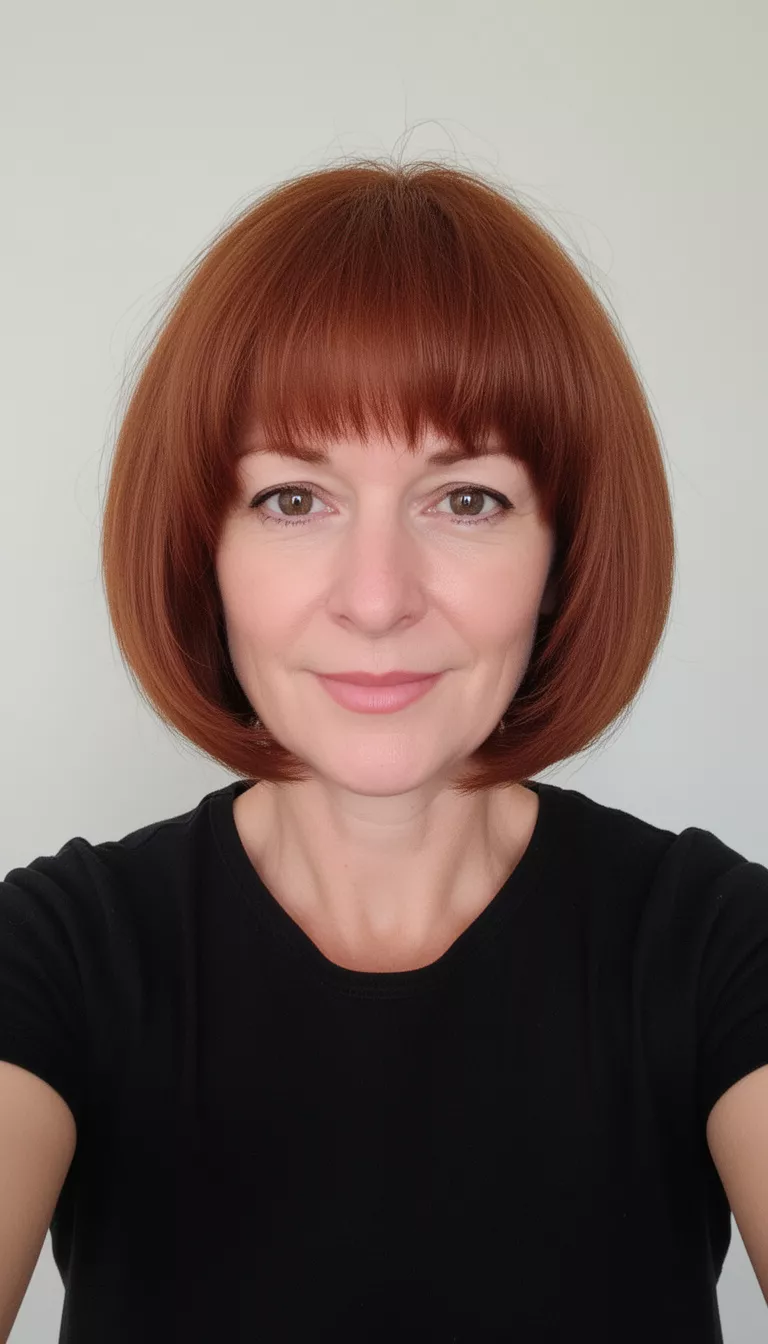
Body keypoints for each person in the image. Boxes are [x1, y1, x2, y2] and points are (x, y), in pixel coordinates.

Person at [1, 156, 766, 1343]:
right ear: (202, 547)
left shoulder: (720, 947)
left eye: (465, 499)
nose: (375, 600)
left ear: (565, 548)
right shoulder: (55, 954)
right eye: (293, 498)